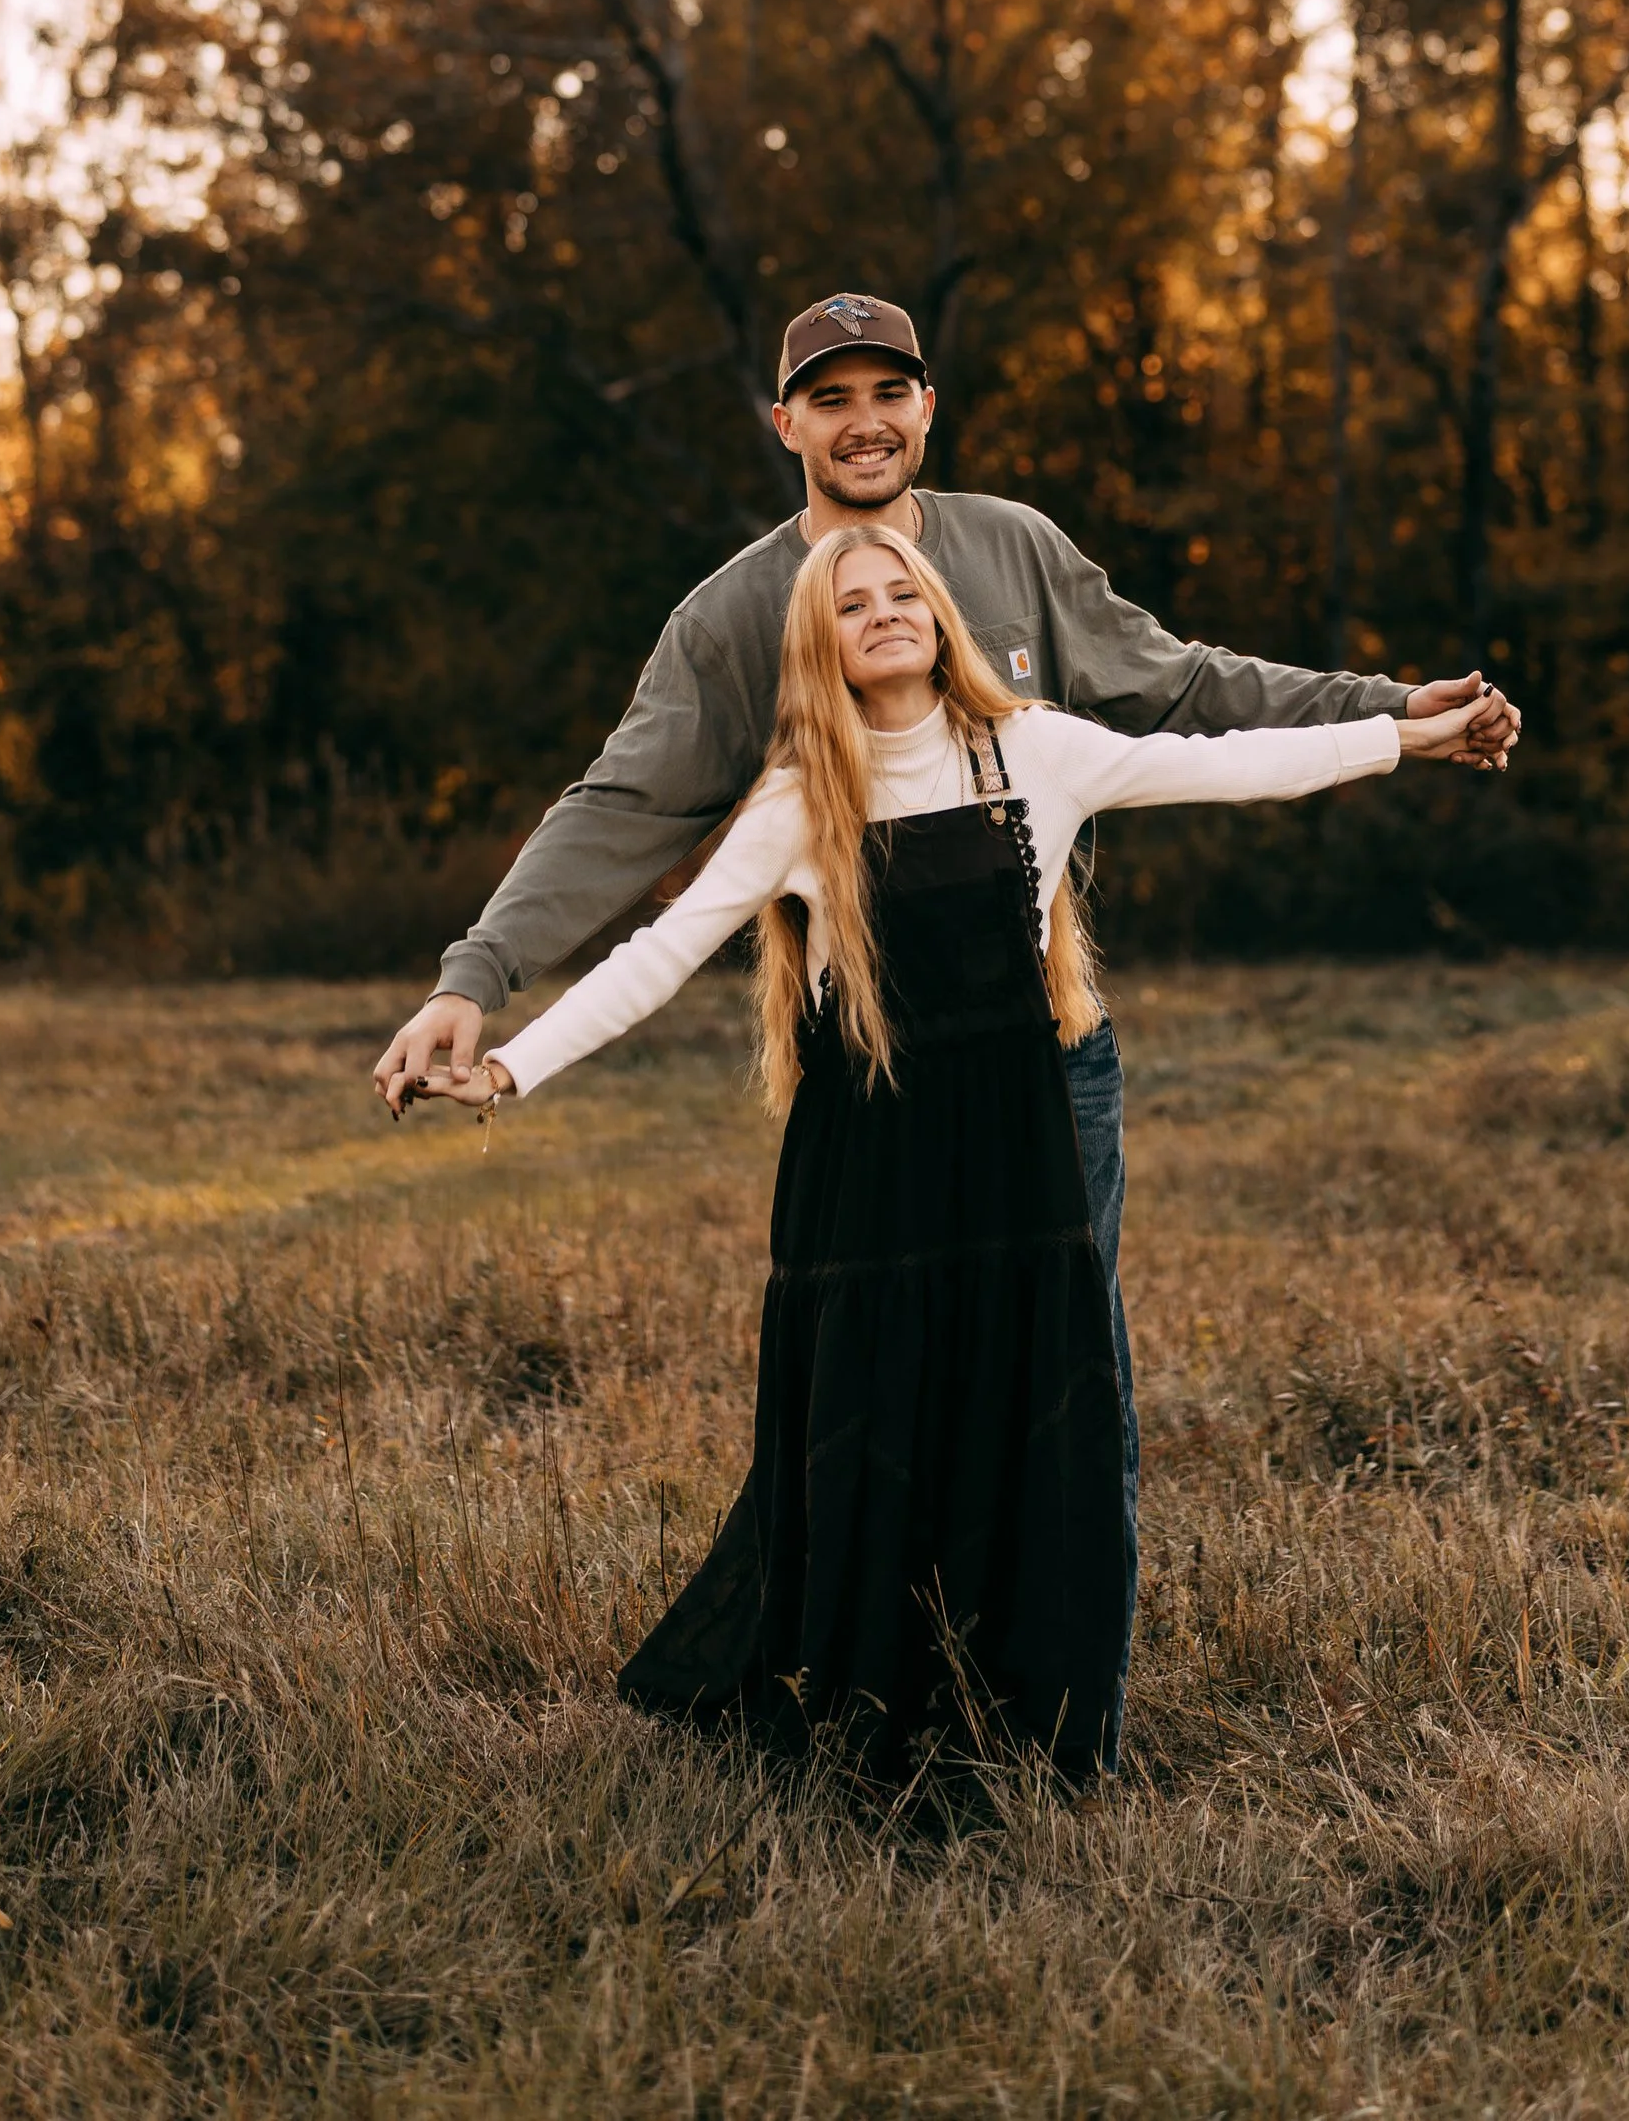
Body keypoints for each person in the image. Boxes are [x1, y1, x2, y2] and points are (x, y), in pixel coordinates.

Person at [376, 289, 1521, 1696]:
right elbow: (625, 826)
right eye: (832, 397)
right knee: (876, 1378)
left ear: (927, 406)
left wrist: (1391, 712)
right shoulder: (739, 620)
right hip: (874, 1080)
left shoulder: (1014, 563)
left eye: (890, 391)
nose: (865, 422)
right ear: (785, 422)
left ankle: (1054, 1686)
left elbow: (1188, 704)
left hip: (1047, 1067)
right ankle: (869, 1667)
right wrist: (476, 989)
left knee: (1060, 1369)